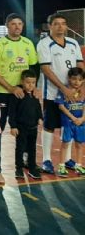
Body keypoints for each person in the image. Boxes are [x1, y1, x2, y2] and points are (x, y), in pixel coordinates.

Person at [37, 13, 84, 174]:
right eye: (56, 24)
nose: (60, 26)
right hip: (52, 94)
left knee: (69, 125)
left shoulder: (73, 43)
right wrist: (64, 89)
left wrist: (80, 87)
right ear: (49, 26)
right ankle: (47, 160)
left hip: (73, 95)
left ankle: (68, 159)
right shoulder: (44, 44)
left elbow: (80, 64)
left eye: (63, 23)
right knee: (49, 126)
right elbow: (46, 69)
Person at [0, 13, 38, 132]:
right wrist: (11, 88)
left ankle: (22, 151)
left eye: (19, 24)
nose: (17, 27)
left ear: (23, 25)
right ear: (7, 26)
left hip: (22, 92)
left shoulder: (28, 43)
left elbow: (34, 67)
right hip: (3, 92)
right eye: (13, 24)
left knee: (22, 127)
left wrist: (34, 87)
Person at [8, 70, 42, 180]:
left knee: (32, 148)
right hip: (21, 127)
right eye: (28, 82)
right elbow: (12, 112)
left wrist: (40, 117)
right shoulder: (18, 95)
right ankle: (19, 168)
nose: (31, 85)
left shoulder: (35, 94)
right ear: (22, 81)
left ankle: (32, 167)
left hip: (33, 127)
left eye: (33, 82)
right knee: (20, 148)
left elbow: (38, 108)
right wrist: (13, 126)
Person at [54, 67, 85, 177]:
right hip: (67, 123)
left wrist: (82, 119)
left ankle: (79, 165)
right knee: (65, 144)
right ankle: (61, 166)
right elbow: (61, 106)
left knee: (80, 144)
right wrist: (73, 117)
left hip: (80, 123)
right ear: (69, 79)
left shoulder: (82, 92)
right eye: (74, 79)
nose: (77, 82)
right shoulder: (64, 90)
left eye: (80, 80)